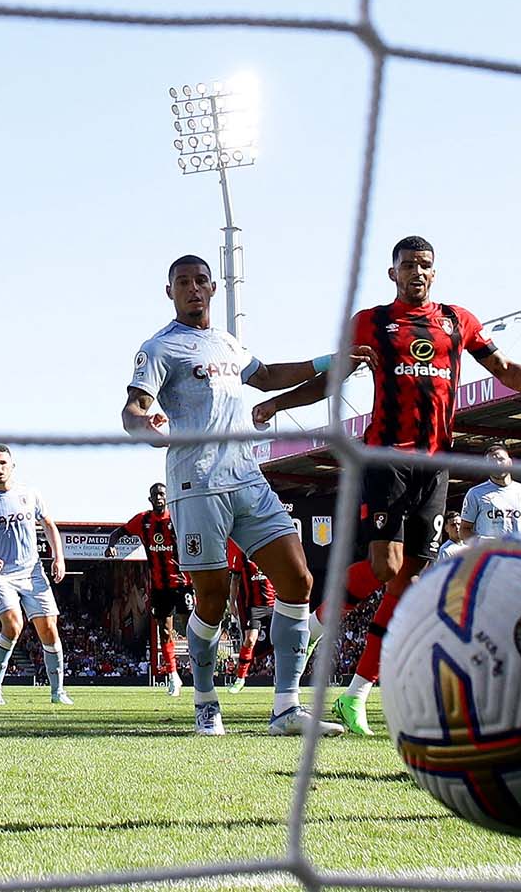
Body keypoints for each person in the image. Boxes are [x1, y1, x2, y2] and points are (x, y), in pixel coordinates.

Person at [253, 235, 521, 737]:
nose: (417, 273)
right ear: (393, 273)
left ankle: (355, 696)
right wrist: (279, 403)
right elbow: (333, 377)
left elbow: (504, 369)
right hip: (385, 458)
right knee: (387, 566)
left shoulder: (458, 321)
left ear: (434, 272)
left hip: (436, 466)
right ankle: (314, 626)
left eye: (425, 265)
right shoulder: (372, 322)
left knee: (408, 582)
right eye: (408, 266)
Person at [122, 253, 346, 738]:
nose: (193, 289)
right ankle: (205, 702)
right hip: (196, 485)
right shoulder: (160, 348)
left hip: (247, 478)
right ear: (170, 291)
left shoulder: (227, 343)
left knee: (299, 580)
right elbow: (133, 408)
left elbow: (267, 376)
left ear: (213, 288)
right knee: (212, 600)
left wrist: (334, 360)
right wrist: (147, 428)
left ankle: (286, 710)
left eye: (201, 280)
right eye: (183, 282)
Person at [0, 445, 70, 706]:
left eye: (3, 462)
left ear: (12, 466)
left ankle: (58, 692)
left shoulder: (30, 494)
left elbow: (49, 524)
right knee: (13, 625)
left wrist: (58, 558)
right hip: (1, 576)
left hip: (32, 572)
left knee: (49, 629)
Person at [105, 482, 189, 696]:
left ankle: (198, 671)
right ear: (150, 499)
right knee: (165, 632)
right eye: (155, 495)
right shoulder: (143, 521)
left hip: (183, 584)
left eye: (162, 494)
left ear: (167, 497)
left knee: (192, 629)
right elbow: (118, 532)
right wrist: (111, 546)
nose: (159, 497)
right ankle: (173, 676)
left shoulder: (178, 518)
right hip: (160, 587)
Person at [458, 445, 521, 541]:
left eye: (501, 459)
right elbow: (463, 531)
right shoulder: (475, 493)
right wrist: (484, 543)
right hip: (490, 555)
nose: (498, 464)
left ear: (510, 462)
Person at [227, 542, 275, 693]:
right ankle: (240, 678)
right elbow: (235, 580)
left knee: (280, 642)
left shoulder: (273, 551)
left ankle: (286, 681)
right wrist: (232, 603)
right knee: (250, 640)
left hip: (274, 605)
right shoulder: (243, 554)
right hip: (254, 607)